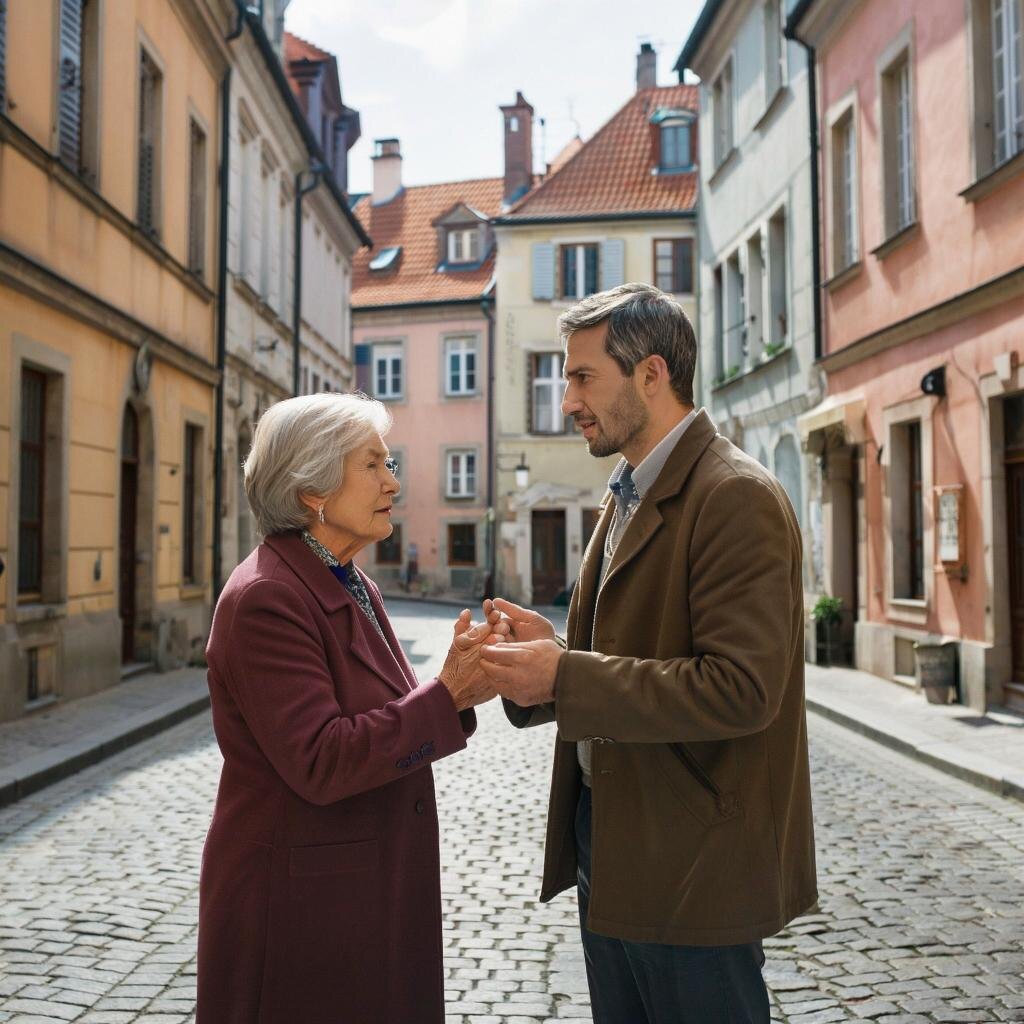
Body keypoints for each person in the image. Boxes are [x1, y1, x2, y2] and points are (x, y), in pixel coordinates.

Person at [480, 283, 817, 1023]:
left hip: (694, 856)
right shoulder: (628, 489)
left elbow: (740, 689)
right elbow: (637, 655)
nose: (567, 399)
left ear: (652, 375)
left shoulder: (733, 495)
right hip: (618, 842)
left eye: (582, 376)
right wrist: (550, 658)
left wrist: (565, 675)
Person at [198, 393, 503, 1024]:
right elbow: (322, 758)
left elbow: (388, 708)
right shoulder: (267, 598)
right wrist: (448, 694)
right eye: (374, 465)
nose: (393, 481)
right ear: (313, 489)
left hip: (357, 893)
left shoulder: (346, 577)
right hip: (300, 913)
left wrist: (460, 691)